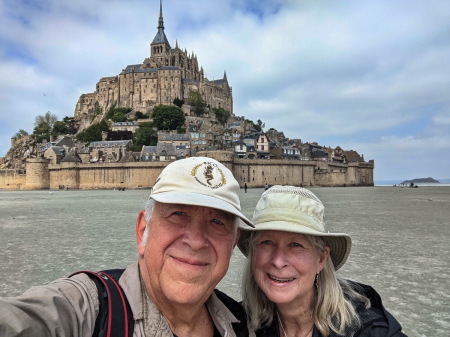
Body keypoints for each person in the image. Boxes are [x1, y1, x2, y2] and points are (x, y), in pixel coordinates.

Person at [0, 157, 255, 337]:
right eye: (178, 214)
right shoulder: (88, 308)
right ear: (143, 229)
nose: (196, 240)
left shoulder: (246, 324)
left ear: (233, 242)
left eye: (217, 222)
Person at [239, 185, 407, 337]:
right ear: (253, 251)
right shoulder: (238, 323)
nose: (278, 261)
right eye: (267, 242)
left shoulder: (367, 329)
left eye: (296, 245)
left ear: (321, 258)